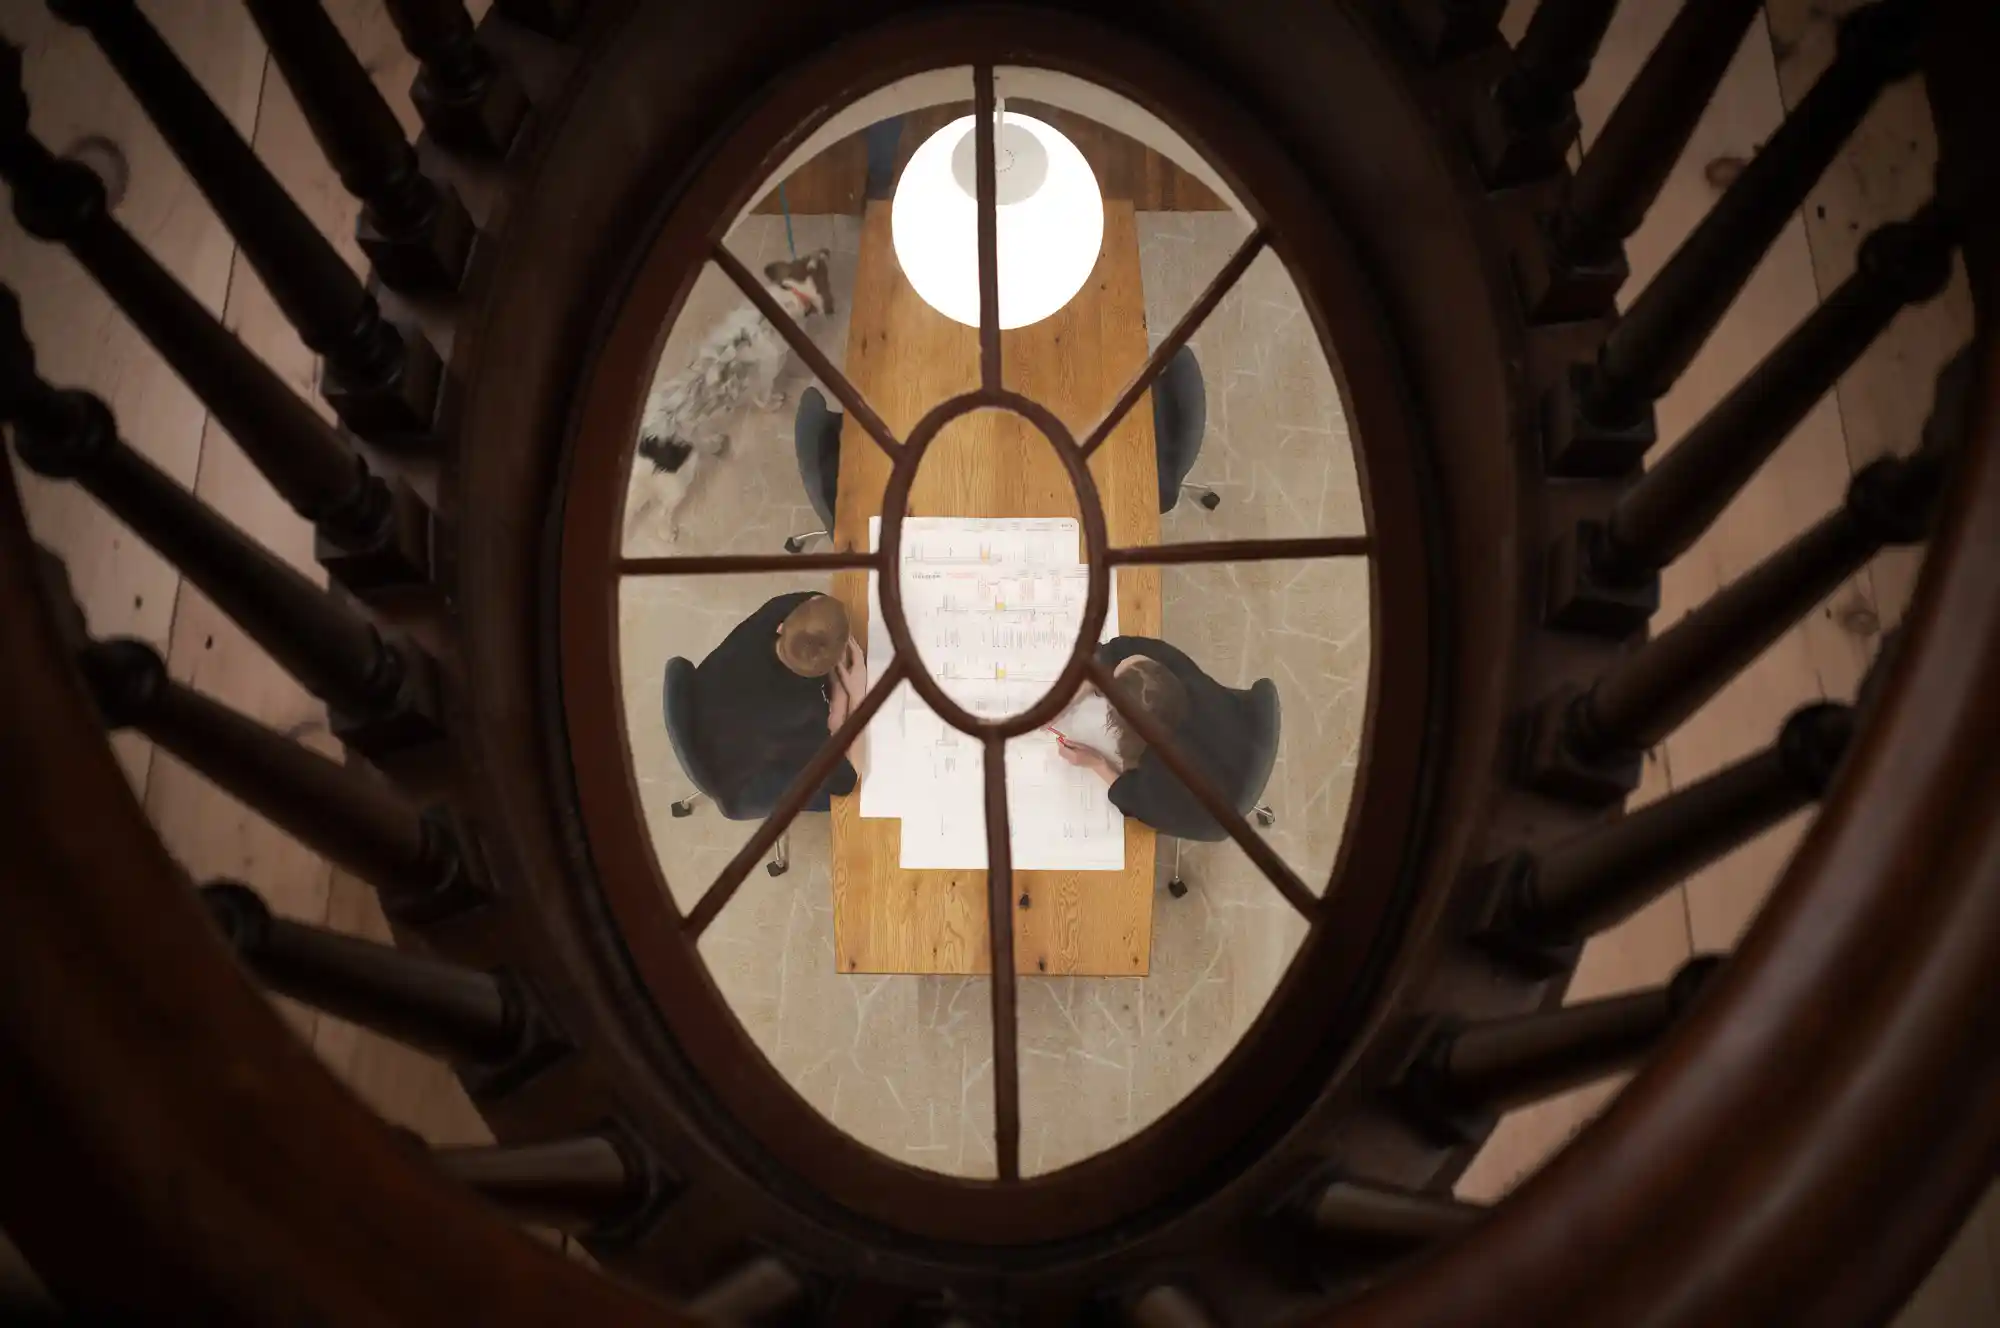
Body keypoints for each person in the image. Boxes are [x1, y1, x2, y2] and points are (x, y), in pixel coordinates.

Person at [1054, 636, 1258, 838]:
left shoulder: (1159, 782)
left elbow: (1131, 798)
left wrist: (1098, 764)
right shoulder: (1176, 673)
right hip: (1247, 739)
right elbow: (1116, 654)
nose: (1124, 661)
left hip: (1214, 816)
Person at [690, 591, 866, 812]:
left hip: (708, 697)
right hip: (737, 773)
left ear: (782, 627)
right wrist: (856, 696)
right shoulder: (798, 716)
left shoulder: (776, 611)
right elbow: (847, 780)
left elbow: (816, 602)